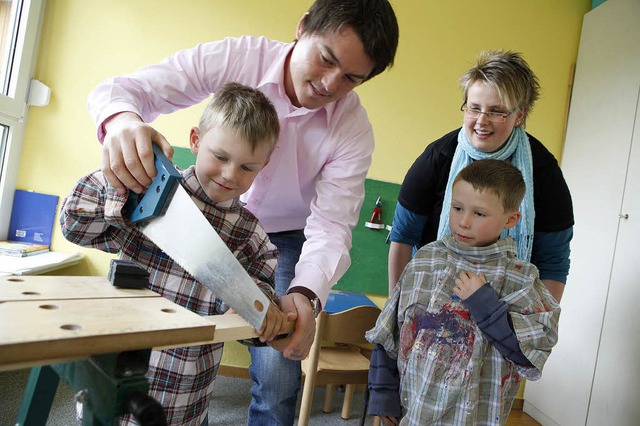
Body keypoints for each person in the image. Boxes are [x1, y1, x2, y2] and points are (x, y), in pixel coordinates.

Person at [86, 1, 399, 423]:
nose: (329, 83)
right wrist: (122, 122)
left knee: (279, 371)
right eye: (326, 59)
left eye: (350, 79)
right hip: (198, 213)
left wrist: (305, 295)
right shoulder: (237, 57)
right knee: (147, 329)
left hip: (281, 238)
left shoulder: (353, 129)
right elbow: (121, 91)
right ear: (303, 26)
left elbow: (331, 225)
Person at [60, 82, 288, 426]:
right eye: (221, 157)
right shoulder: (149, 187)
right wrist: (118, 177)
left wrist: (258, 310)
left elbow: (252, 315)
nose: (230, 174)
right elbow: (75, 226)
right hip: (116, 371)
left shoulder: (251, 236)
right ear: (196, 140)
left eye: (247, 167)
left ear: (264, 165)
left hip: (186, 392)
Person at [366, 159, 561, 425]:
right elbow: (388, 332)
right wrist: (383, 394)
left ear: (511, 219)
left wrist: (484, 304)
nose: (463, 222)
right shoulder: (426, 259)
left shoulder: (521, 278)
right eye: (457, 208)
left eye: (479, 214)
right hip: (414, 411)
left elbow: (528, 354)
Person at [388, 50, 573, 304]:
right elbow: (402, 236)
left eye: (497, 111)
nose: (481, 121)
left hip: (504, 310)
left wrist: (534, 329)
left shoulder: (544, 172)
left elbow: (554, 262)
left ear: (520, 115)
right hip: (430, 300)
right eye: (474, 108)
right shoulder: (438, 157)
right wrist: (397, 307)